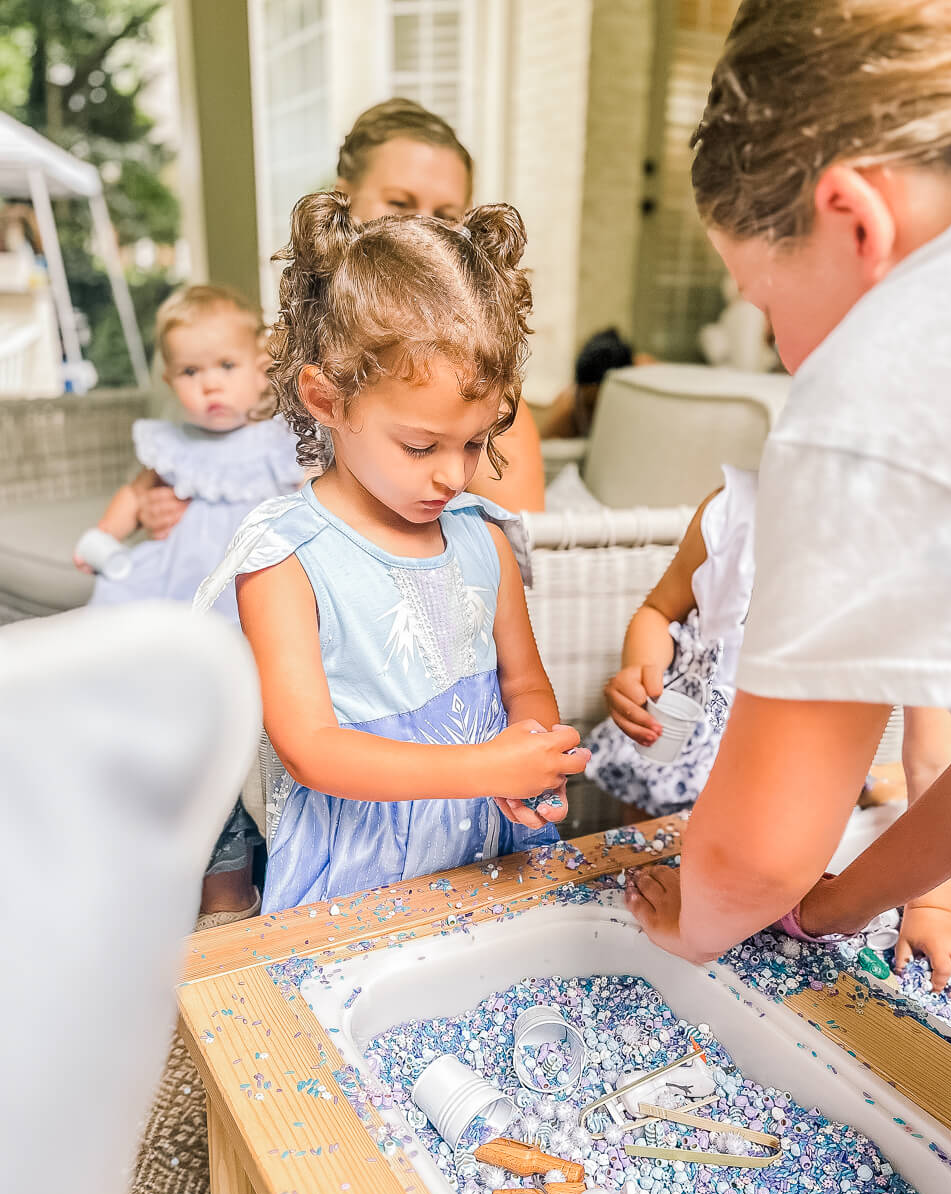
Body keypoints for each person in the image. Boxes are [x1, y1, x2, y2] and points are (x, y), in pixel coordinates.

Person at [625, 0, 951, 970]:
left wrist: (691, 926)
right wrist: (841, 906)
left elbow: (755, 856)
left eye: (762, 296)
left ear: (856, 220)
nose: (776, 343)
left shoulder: (897, 372)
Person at [196, 193, 588, 914]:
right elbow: (313, 749)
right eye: (419, 446)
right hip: (360, 866)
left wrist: (531, 757)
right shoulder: (286, 558)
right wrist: (479, 766)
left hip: (487, 840)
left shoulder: (482, 535)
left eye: (474, 442)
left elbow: (523, 682)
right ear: (327, 400)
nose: (452, 473)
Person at [593, 466, 951, 993]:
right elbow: (658, 610)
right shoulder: (732, 513)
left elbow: (937, 760)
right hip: (675, 764)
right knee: (647, 899)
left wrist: (933, 905)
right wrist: (639, 669)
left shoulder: (910, 567)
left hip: (790, 811)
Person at [78, 283, 305, 929]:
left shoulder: (275, 442)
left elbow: (310, 496)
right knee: (154, 697)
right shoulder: (172, 445)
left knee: (237, 713)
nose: (209, 386)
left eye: (226, 368)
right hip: (181, 591)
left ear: (262, 366)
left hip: (245, 594)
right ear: (168, 376)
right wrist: (105, 533)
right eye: (189, 371)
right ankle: (167, 866)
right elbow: (137, 491)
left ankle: (235, 876)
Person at [334, 97, 545, 513]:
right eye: (399, 203)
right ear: (343, 201)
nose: (421, 225)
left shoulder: (472, 377)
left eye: (446, 214)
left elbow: (522, 535)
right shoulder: (271, 357)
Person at [540, 327, 657, 440]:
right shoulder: (567, 411)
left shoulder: (647, 386)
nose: (598, 417)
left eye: (605, 405)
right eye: (591, 407)